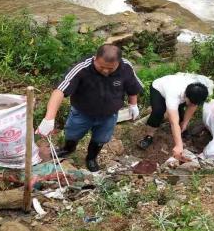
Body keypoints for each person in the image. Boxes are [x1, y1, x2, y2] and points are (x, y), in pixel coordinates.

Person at [37, 44, 143, 172]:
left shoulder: (126, 67)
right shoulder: (82, 68)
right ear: (95, 59)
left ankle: (91, 158)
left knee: (101, 138)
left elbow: (132, 87)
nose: (105, 71)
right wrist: (49, 118)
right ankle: (68, 148)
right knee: (72, 133)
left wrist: (133, 104)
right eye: (102, 67)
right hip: (82, 112)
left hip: (109, 115)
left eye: (110, 68)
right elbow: (59, 91)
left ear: (118, 63)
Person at [138, 73, 213, 160]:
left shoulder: (197, 91)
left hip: (180, 92)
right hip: (159, 89)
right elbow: (174, 122)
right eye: (191, 101)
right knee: (158, 112)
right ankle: (149, 136)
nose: (193, 104)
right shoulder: (173, 94)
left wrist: (185, 123)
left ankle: (182, 129)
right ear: (186, 96)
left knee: (181, 114)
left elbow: (192, 106)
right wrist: (179, 145)